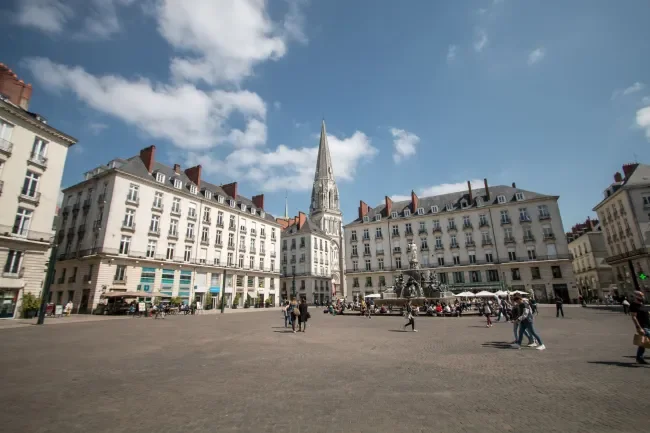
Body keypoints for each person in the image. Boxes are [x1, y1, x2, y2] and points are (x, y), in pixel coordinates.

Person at [630, 291, 649, 364]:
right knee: (643, 343)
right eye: (641, 296)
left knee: (642, 343)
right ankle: (639, 358)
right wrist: (639, 328)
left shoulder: (642, 304)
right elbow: (634, 317)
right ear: (636, 296)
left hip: (648, 325)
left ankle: (639, 358)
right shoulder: (634, 305)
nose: (643, 297)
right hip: (643, 327)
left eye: (643, 295)